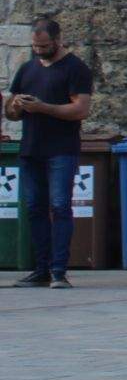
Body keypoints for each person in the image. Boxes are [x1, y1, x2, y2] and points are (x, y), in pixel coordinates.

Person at [6, 16, 93, 289]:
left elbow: (80, 109)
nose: (39, 51)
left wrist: (45, 108)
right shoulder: (27, 69)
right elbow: (10, 111)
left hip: (61, 150)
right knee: (34, 208)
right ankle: (40, 268)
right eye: (35, 46)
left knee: (59, 207)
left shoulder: (75, 68)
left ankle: (59, 270)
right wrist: (17, 106)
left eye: (44, 46)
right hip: (31, 149)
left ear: (57, 40)